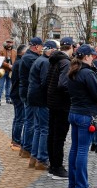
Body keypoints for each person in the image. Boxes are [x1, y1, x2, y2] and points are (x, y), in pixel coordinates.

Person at [66, 44, 97, 188]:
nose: (93, 58)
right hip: (85, 115)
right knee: (82, 151)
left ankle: (73, 183)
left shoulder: (74, 71)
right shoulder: (87, 73)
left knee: (74, 148)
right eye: (91, 56)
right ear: (86, 57)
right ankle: (81, 186)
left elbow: (85, 90)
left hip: (74, 112)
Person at [45, 38, 74, 180]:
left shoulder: (54, 60)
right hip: (61, 105)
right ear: (72, 47)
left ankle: (53, 165)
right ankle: (57, 167)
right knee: (59, 137)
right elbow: (63, 84)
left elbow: (47, 81)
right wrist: (73, 92)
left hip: (52, 102)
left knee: (52, 135)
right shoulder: (65, 62)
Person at [27, 40, 58, 170]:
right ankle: (42, 159)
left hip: (34, 97)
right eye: (55, 49)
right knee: (44, 129)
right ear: (50, 49)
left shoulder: (40, 60)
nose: (56, 52)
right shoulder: (45, 62)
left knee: (39, 128)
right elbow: (45, 82)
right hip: (41, 99)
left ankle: (34, 158)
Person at [17, 37, 42, 159]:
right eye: (41, 47)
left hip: (26, 90)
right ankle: (27, 147)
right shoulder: (30, 58)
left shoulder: (29, 56)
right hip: (28, 92)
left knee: (29, 121)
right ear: (36, 46)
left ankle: (25, 147)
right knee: (30, 121)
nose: (42, 50)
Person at [9, 45, 27, 150]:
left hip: (15, 92)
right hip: (18, 93)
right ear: (23, 53)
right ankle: (16, 140)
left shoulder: (17, 62)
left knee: (17, 118)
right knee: (20, 118)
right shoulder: (20, 63)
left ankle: (15, 139)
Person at [0, 39, 15, 105]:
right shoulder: (2, 51)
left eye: (10, 43)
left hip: (10, 71)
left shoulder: (14, 51)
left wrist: (13, 66)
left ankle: (8, 99)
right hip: (3, 70)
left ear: (12, 44)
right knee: (1, 85)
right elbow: (0, 60)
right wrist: (8, 65)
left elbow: (16, 60)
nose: (9, 44)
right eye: (8, 42)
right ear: (6, 43)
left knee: (8, 86)